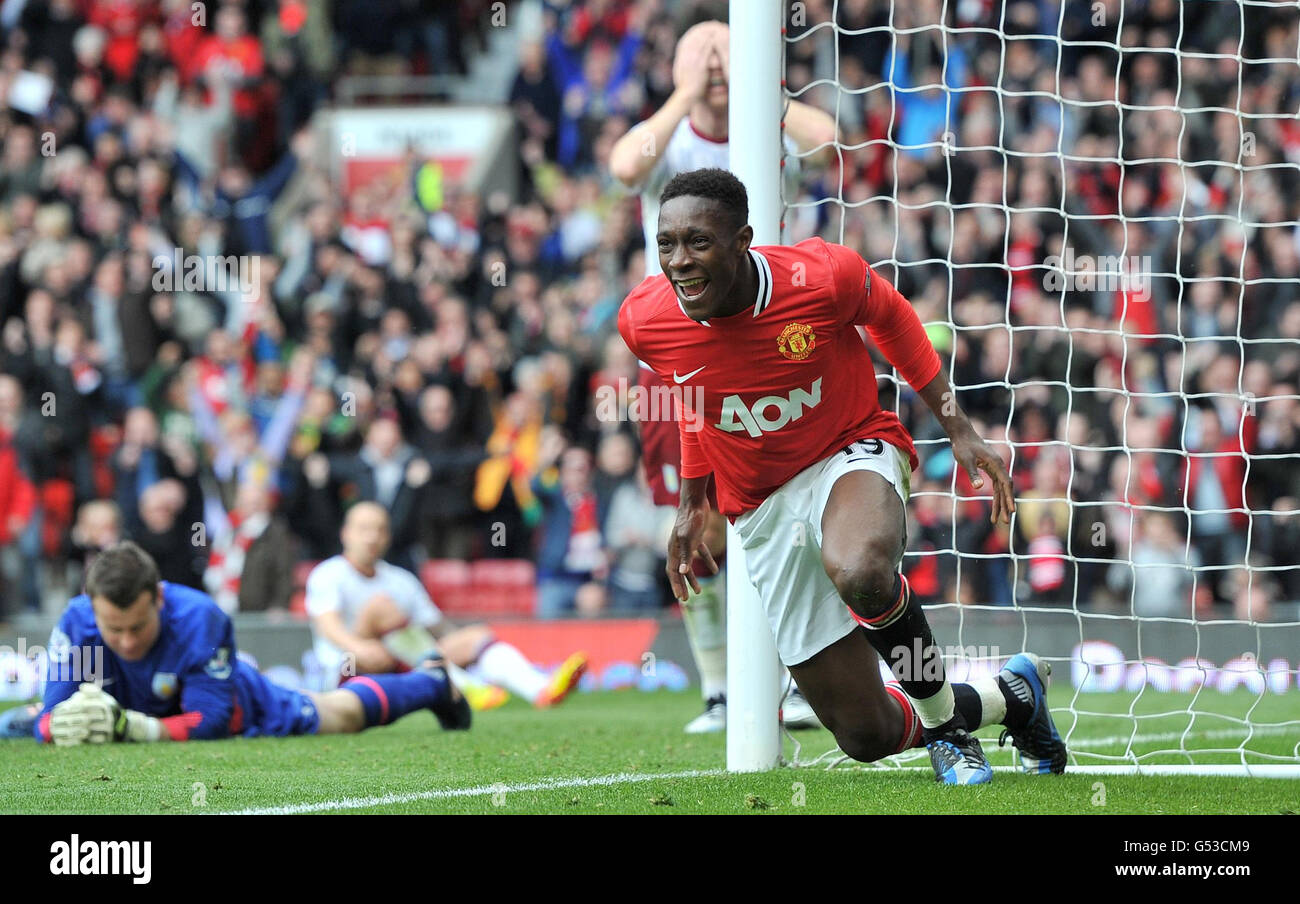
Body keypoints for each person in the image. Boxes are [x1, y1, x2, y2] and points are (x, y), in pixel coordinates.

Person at [618, 168, 1067, 783]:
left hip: (850, 448)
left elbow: (895, 319)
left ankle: (946, 733)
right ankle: (1012, 696)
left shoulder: (821, 276)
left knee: (859, 569)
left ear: (744, 238)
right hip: (759, 502)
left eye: (698, 242)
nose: (678, 260)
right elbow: (695, 395)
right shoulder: (645, 319)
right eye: (666, 243)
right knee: (865, 733)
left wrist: (958, 425)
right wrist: (693, 501)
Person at [609, 19, 838, 733]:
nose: (712, 61)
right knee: (693, 521)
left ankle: (805, 674)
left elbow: (827, 139)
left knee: (795, 514)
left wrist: (753, 82)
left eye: (725, 48)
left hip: (778, 349)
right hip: (676, 360)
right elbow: (623, 166)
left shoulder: (771, 123)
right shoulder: (667, 137)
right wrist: (684, 92)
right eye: (697, 50)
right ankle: (718, 688)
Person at [17, 541, 469, 745]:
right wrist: (52, 727)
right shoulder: (78, 624)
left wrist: (132, 729)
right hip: (138, 712)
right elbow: (51, 716)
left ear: (157, 598)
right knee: (20, 725)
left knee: (344, 715)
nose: (127, 641)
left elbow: (209, 721)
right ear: (92, 608)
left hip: (243, 706)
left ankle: (433, 683)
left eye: (137, 626)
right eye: (114, 630)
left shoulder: (198, 619)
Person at [305, 502, 587, 709]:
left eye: (379, 530)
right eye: (364, 529)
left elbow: (438, 629)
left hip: (404, 663)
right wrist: (365, 645)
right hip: (346, 673)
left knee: (476, 637)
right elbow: (329, 628)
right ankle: (465, 687)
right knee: (380, 613)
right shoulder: (328, 574)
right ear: (346, 533)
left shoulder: (400, 579)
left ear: (388, 537)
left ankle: (540, 689)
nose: (372, 537)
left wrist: (463, 648)